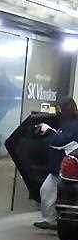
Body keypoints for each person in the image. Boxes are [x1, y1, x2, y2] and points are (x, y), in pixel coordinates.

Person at [35, 97, 78, 230]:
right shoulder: (68, 124)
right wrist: (50, 131)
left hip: (66, 170)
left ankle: (53, 220)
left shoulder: (74, 126)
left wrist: (48, 131)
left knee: (50, 193)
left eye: (59, 109)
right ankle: (51, 220)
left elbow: (59, 142)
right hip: (59, 169)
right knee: (46, 191)